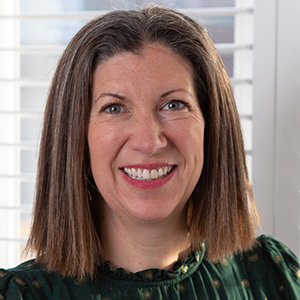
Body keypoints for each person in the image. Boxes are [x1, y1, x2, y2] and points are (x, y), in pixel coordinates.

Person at [1, 5, 299, 299]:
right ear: (76, 138)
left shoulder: (271, 277)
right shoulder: (22, 295)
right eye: (114, 108)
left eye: (174, 105)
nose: (148, 141)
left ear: (212, 128)